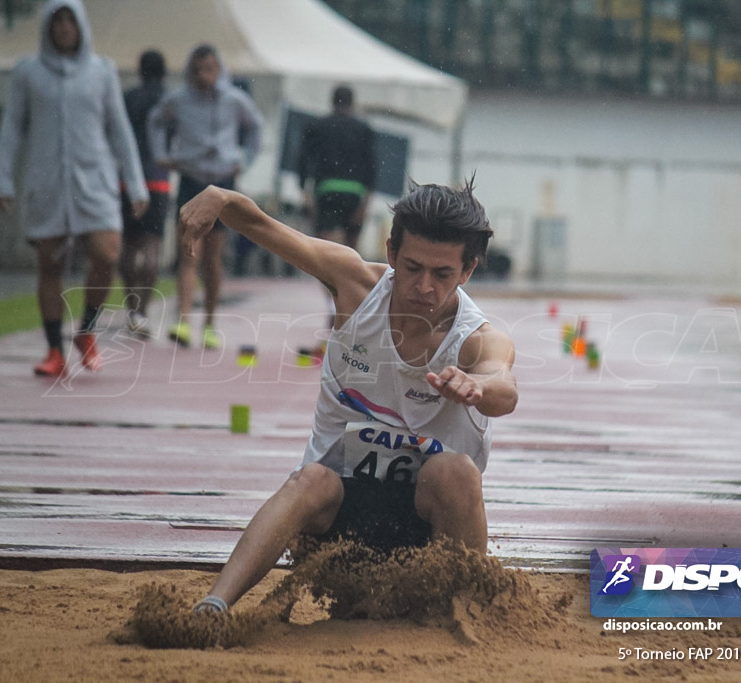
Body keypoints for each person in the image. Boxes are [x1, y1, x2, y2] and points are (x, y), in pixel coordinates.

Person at [177, 177, 518, 613]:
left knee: (457, 473)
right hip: (336, 529)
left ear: (467, 271)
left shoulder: (477, 338)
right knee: (311, 478)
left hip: (428, 536)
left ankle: (462, 614)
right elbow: (262, 226)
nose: (424, 287)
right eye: (412, 268)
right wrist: (220, 197)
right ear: (391, 252)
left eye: (442, 274)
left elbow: (503, 386)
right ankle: (213, 607)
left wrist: (479, 386)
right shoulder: (354, 284)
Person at [0, 0, 148, 377]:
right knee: (50, 264)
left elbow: (120, 128)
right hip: (47, 181)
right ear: (47, 27)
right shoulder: (28, 72)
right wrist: (2, 179)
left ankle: (87, 331)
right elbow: (13, 127)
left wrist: (136, 184)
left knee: (107, 254)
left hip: (93, 180)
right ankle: (53, 350)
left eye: (69, 20)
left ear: (81, 26)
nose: (63, 27)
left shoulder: (101, 71)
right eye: (57, 20)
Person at [148, 43, 263, 350]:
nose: (203, 76)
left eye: (209, 69)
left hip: (223, 181)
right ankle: (183, 320)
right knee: (188, 251)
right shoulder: (179, 99)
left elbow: (255, 128)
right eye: (197, 70)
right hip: (192, 177)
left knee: (213, 257)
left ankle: (210, 323)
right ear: (190, 71)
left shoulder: (234, 100)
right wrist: (162, 154)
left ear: (219, 69)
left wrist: (244, 159)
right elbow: (156, 121)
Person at [119, 49, 169, 339]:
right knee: (151, 248)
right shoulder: (169, 100)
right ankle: (143, 312)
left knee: (129, 246)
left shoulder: (128, 98)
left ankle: (131, 309)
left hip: (127, 179)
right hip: (158, 180)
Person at [298, 85, 377, 253]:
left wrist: (305, 194)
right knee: (351, 250)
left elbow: (302, 161)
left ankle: (328, 277)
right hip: (354, 193)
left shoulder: (317, 127)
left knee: (325, 252)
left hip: (326, 191)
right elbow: (372, 168)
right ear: (352, 103)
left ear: (332, 102)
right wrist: (365, 204)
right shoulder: (364, 130)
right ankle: (348, 275)